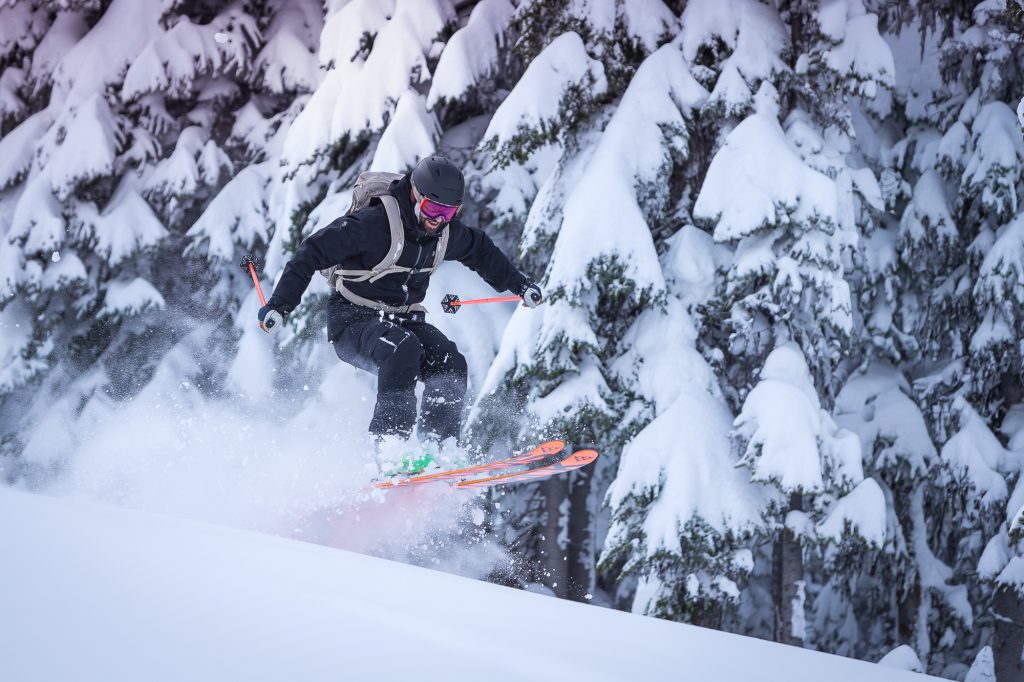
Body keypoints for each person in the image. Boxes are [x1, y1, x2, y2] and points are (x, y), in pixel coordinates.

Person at [257, 155, 543, 464]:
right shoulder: (373, 225)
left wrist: (520, 285)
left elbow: (481, 250)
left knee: (451, 362)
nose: (438, 219)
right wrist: (280, 305)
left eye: (448, 212)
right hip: (352, 320)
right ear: (415, 195)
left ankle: (438, 447)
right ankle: (390, 449)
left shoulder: (443, 234)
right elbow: (311, 252)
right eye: (433, 209)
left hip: (403, 320)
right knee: (402, 350)